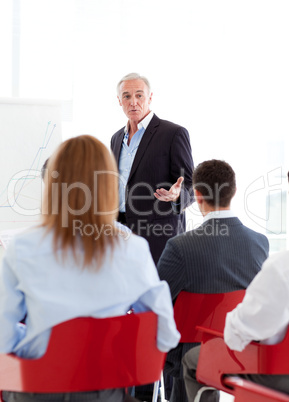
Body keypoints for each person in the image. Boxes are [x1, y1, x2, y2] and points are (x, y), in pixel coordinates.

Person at [0, 135, 180, 402]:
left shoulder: (21, 247)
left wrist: (39, 339)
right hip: (107, 391)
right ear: (109, 184)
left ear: (52, 185)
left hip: (38, 389)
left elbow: (3, 338)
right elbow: (165, 334)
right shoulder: (132, 248)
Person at [157, 159, 269, 402]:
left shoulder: (180, 247)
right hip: (244, 350)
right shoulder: (260, 243)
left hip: (193, 355)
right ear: (234, 191)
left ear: (196, 196)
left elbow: (156, 302)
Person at [111, 72, 194, 265]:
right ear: (119, 101)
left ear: (150, 97)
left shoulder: (173, 133)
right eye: (127, 96)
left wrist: (177, 195)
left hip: (158, 237)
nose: (133, 102)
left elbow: (189, 183)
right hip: (119, 233)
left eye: (139, 95)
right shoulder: (115, 139)